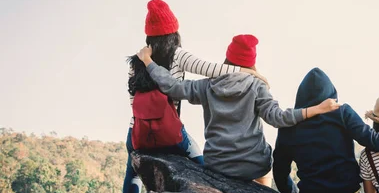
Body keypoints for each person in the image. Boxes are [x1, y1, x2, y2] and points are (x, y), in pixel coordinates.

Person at [117, 0, 265, 193]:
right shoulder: (178, 56)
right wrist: (250, 73)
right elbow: (215, 69)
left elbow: (134, 102)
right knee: (203, 165)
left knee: (133, 172)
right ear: (174, 33)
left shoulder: (136, 62)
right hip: (172, 135)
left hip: (140, 134)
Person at [136, 34, 341, 185]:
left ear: (227, 59)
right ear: (251, 62)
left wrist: (149, 62)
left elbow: (172, 86)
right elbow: (278, 118)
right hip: (254, 165)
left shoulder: (208, 86)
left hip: (218, 165)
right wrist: (315, 109)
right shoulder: (256, 86)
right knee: (267, 155)